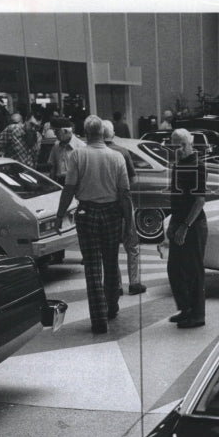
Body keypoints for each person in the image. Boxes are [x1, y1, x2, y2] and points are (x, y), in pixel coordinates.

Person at [54, 115, 130, 334]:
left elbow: (69, 188)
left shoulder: (78, 155)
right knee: (111, 262)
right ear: (103, 134)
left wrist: (60, 214)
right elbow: (125, 193)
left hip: (87, 213)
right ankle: (112, 307)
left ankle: (98, 320)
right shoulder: (116, 157)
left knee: (93, 268)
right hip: (112, 213)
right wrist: (129, 222)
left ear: (86, 134)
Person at [166, 129, 207, 329]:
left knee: (193, 271)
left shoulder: (197, 166)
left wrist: (184, 227)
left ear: (190, 144)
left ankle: (197, 314)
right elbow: (177, 198)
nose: (179, 149)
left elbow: (199, 201)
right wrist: (173, 223)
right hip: (180, 222)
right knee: (175, 268)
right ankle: (186, 308)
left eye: (182, 145)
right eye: (175, 146)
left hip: (194, 224)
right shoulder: (178, 165)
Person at [102, 119, 147, 295]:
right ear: (112, 134)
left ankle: (117, 285)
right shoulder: (122, 152)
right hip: (124, 204)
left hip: (106, 207)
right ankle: (134, 282)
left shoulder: (92, 153)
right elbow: (133, 180)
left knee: (110, 249)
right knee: (132, 245)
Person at [48, 117, 83, 184]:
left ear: (66, 131)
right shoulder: (56, 145)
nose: (55, 134)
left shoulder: (81, 147)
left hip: (75, 183)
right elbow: (52, 167)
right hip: (59, 182)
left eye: (57, 131)